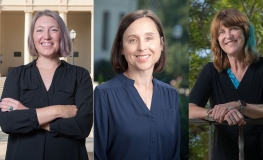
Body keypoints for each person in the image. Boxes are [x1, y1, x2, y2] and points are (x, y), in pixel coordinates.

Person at [189, 8, 263, 160]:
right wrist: (216, 113)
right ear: (217, 40)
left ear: (245, 32)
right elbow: (190, 109)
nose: (228, 36)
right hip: (225, 153)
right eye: (221, 32)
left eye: (234, 29)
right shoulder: (210, 71)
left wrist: (239, 105)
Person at [0, 10, 93, 160]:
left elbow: (82, 127)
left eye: (53, 30)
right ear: (33, 37)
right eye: (39, 30)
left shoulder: (80, 76)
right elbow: (8, 123)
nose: (46, 36)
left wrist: (26, 112)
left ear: (62, 36)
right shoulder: (16, 76)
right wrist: (58, 110)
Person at [94, 9, 180, 160]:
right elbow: (99, 155)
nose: (142, 47)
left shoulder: (171, 94)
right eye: (133, 40)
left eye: (149, 38)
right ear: (121, 48)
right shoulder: (104, 95)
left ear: (161, 44)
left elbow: (174, 154)